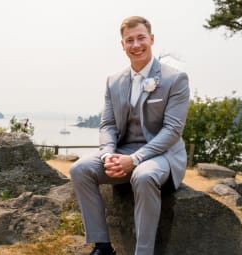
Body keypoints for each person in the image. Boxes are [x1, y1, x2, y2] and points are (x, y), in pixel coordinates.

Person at [69, 16, 190, 255]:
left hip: (163, 155)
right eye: (129, 40)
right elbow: (108, 124)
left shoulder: (175, 79)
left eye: (141, 38)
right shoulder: (113, 82)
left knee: (143, 177)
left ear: (151, 39)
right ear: (122, 45)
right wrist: (107, 156)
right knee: (79, 170)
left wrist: (134, 160)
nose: (136, 45)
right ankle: (102, 246)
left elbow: (173, 130)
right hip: (123, 150)